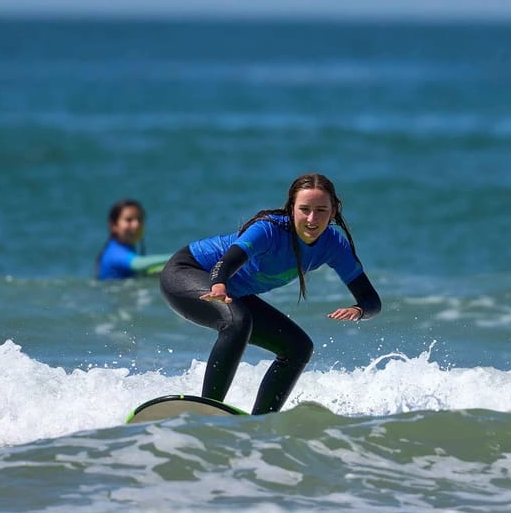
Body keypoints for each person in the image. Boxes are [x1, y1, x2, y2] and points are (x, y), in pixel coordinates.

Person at [159, 173, 381, 415]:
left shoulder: (333, 245)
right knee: (238, 321)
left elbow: (371, 301)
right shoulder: (268, 229)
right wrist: (219, 284)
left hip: (230, 291)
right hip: (186, 272)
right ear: (292, 208)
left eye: (321, 210)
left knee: (298, 347)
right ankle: (209, 408)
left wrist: (359, 310)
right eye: (304, 209)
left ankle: (261, 422)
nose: (312, 219)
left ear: (333, 211)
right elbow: (228, 261)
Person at [96, 199, 173, 280]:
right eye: (129, 220)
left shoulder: (129, 250)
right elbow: (138, 263)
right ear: (113, 225)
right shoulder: (113, 252)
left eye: (140, 219)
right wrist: (177, 256)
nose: (136, 225)